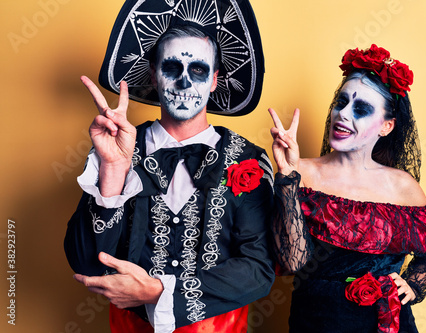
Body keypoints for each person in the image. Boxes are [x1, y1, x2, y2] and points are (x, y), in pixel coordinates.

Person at [64, 1, 275, 332]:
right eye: (172, 68)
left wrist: (159, 291)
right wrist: (113, 170)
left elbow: (258, 271)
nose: (185, 82)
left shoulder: (248, 159)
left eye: (199, 70)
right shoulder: (116, 149)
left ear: (216, 79)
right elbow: (86, 263)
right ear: (153, 74)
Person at [268, 44, 426, 332]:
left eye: (361, 109)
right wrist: (288, 174)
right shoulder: (299, 172)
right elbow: (292, 262)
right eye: (341, 102)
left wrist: (414, 283)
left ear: (386, 127)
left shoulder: (403, 186)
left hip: (389, 324)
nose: (343, 114)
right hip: (317, 324)